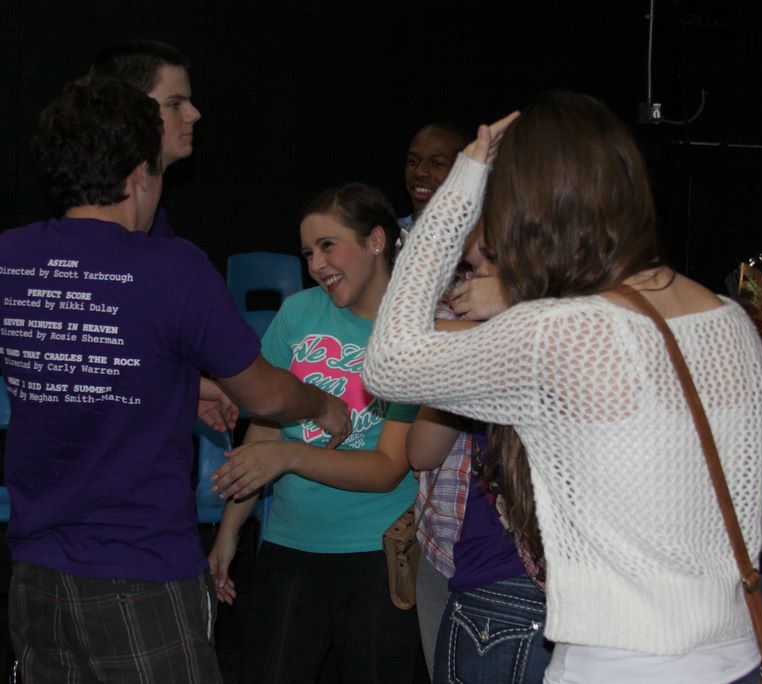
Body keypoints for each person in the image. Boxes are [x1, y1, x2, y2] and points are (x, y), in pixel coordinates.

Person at [365, 90, 762, 683]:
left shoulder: (563, 333)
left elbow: (388, 362)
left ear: (524, 211)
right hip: (737, 658)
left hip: (619, 667)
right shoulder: (730, 322)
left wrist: (461, 188)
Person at [0, 78, 350, 683]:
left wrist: (183, 389)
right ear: (140, 171)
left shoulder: (9, 256)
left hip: (33, 577)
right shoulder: (173, 267)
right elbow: (266, 395)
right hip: (138, 575)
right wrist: (321, 403)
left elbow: (77, 360)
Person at [207, 183, 422, 682]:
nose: (316, 264)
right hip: (289, 544)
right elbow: (264, 433)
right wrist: (229, 531)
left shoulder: (413, 331)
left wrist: (290, 457)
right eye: (307, 253)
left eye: (328, 246)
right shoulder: (298, 312)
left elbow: (388, 469)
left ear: (375, 240)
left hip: (377, 553)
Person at [408, 231, 551, 684]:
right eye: (469, 266)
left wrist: (511, 310)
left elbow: (400, 343)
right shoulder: (476, 332)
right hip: (463, 560)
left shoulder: (568, 330)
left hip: (517, 582)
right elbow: (421, 452)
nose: (476, 277)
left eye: (491, 259)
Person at [89, 39, 202, 237]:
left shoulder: (158, 227)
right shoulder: (99, 230)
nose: (194, 114)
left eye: (189, 101)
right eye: (175, 104)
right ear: (129, 110)